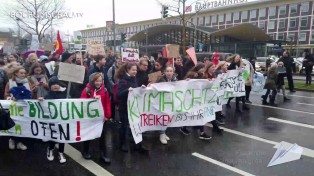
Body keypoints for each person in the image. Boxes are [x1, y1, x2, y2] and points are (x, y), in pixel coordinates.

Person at [116, 63, 148, 152]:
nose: (135, 72)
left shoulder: (134, 79)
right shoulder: (123, 81)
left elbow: (136, 91)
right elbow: (119, 94)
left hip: (133, 107)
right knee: (124, 126)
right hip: (125, 108)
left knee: (136, 125)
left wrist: (141, 88)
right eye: (133, 70)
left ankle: (138, 144)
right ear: (128, 70)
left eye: (136, 70)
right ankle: (122, 144)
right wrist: (127, 90)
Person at [80, 73, 112, 163]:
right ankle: (85, 151)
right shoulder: (87, 90)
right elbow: (82, 103)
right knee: (89, 135)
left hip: (101, 118)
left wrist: (107, 116)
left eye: (100, 81)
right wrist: (92, 99)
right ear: (92, 81)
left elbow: (107, 103)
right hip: (90, 118)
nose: (98, 83)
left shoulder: (104, 90)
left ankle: (103, 154)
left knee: (102, 137)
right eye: (96, 81)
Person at [180, 63, 212, 140]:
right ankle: (184, 127)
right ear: (199, 68)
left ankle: (202, 132)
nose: (204, 69)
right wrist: (187, 80)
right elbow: (184, 84)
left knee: (199, 114)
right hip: (190, 98)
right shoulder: (192, 74)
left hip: (198, 98)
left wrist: (209, 81)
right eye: (203, 68)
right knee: (190, 114)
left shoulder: (202, 74)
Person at [39, 76, 67, 164]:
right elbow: (44, 106)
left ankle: (61, 152)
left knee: (62, 137)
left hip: (62, 120)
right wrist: (41, 100)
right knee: (53, 136)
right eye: (53, 84)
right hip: (52, 121)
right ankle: (50, 149)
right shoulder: (48, 95)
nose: (55, 86)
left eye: (57, 84)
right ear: (49, 86)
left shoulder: (64, 93)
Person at [4, 66, 30, 151]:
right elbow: (6, 94)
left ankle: (20, 142)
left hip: (24, 107)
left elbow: (31, 93)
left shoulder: (27, 82)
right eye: (21, 73)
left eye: (24, 73)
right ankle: (11, 139)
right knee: (13, 123)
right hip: (13, 107)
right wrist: (10, 98)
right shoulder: (10, 83)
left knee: (22, 124)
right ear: (16, 73)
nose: (23, 74)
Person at [154, 66, 177, 144]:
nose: (169, 73)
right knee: (163, 118)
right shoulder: (160, 79)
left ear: (173, 72)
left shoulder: (175, 79)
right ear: (165, 72)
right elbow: (154, 88)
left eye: (171, 71)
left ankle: (163, 133)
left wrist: (186, 81)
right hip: (161, 102)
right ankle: (161, 134)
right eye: (167, 71)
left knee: (167, 118)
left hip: (170, 102)